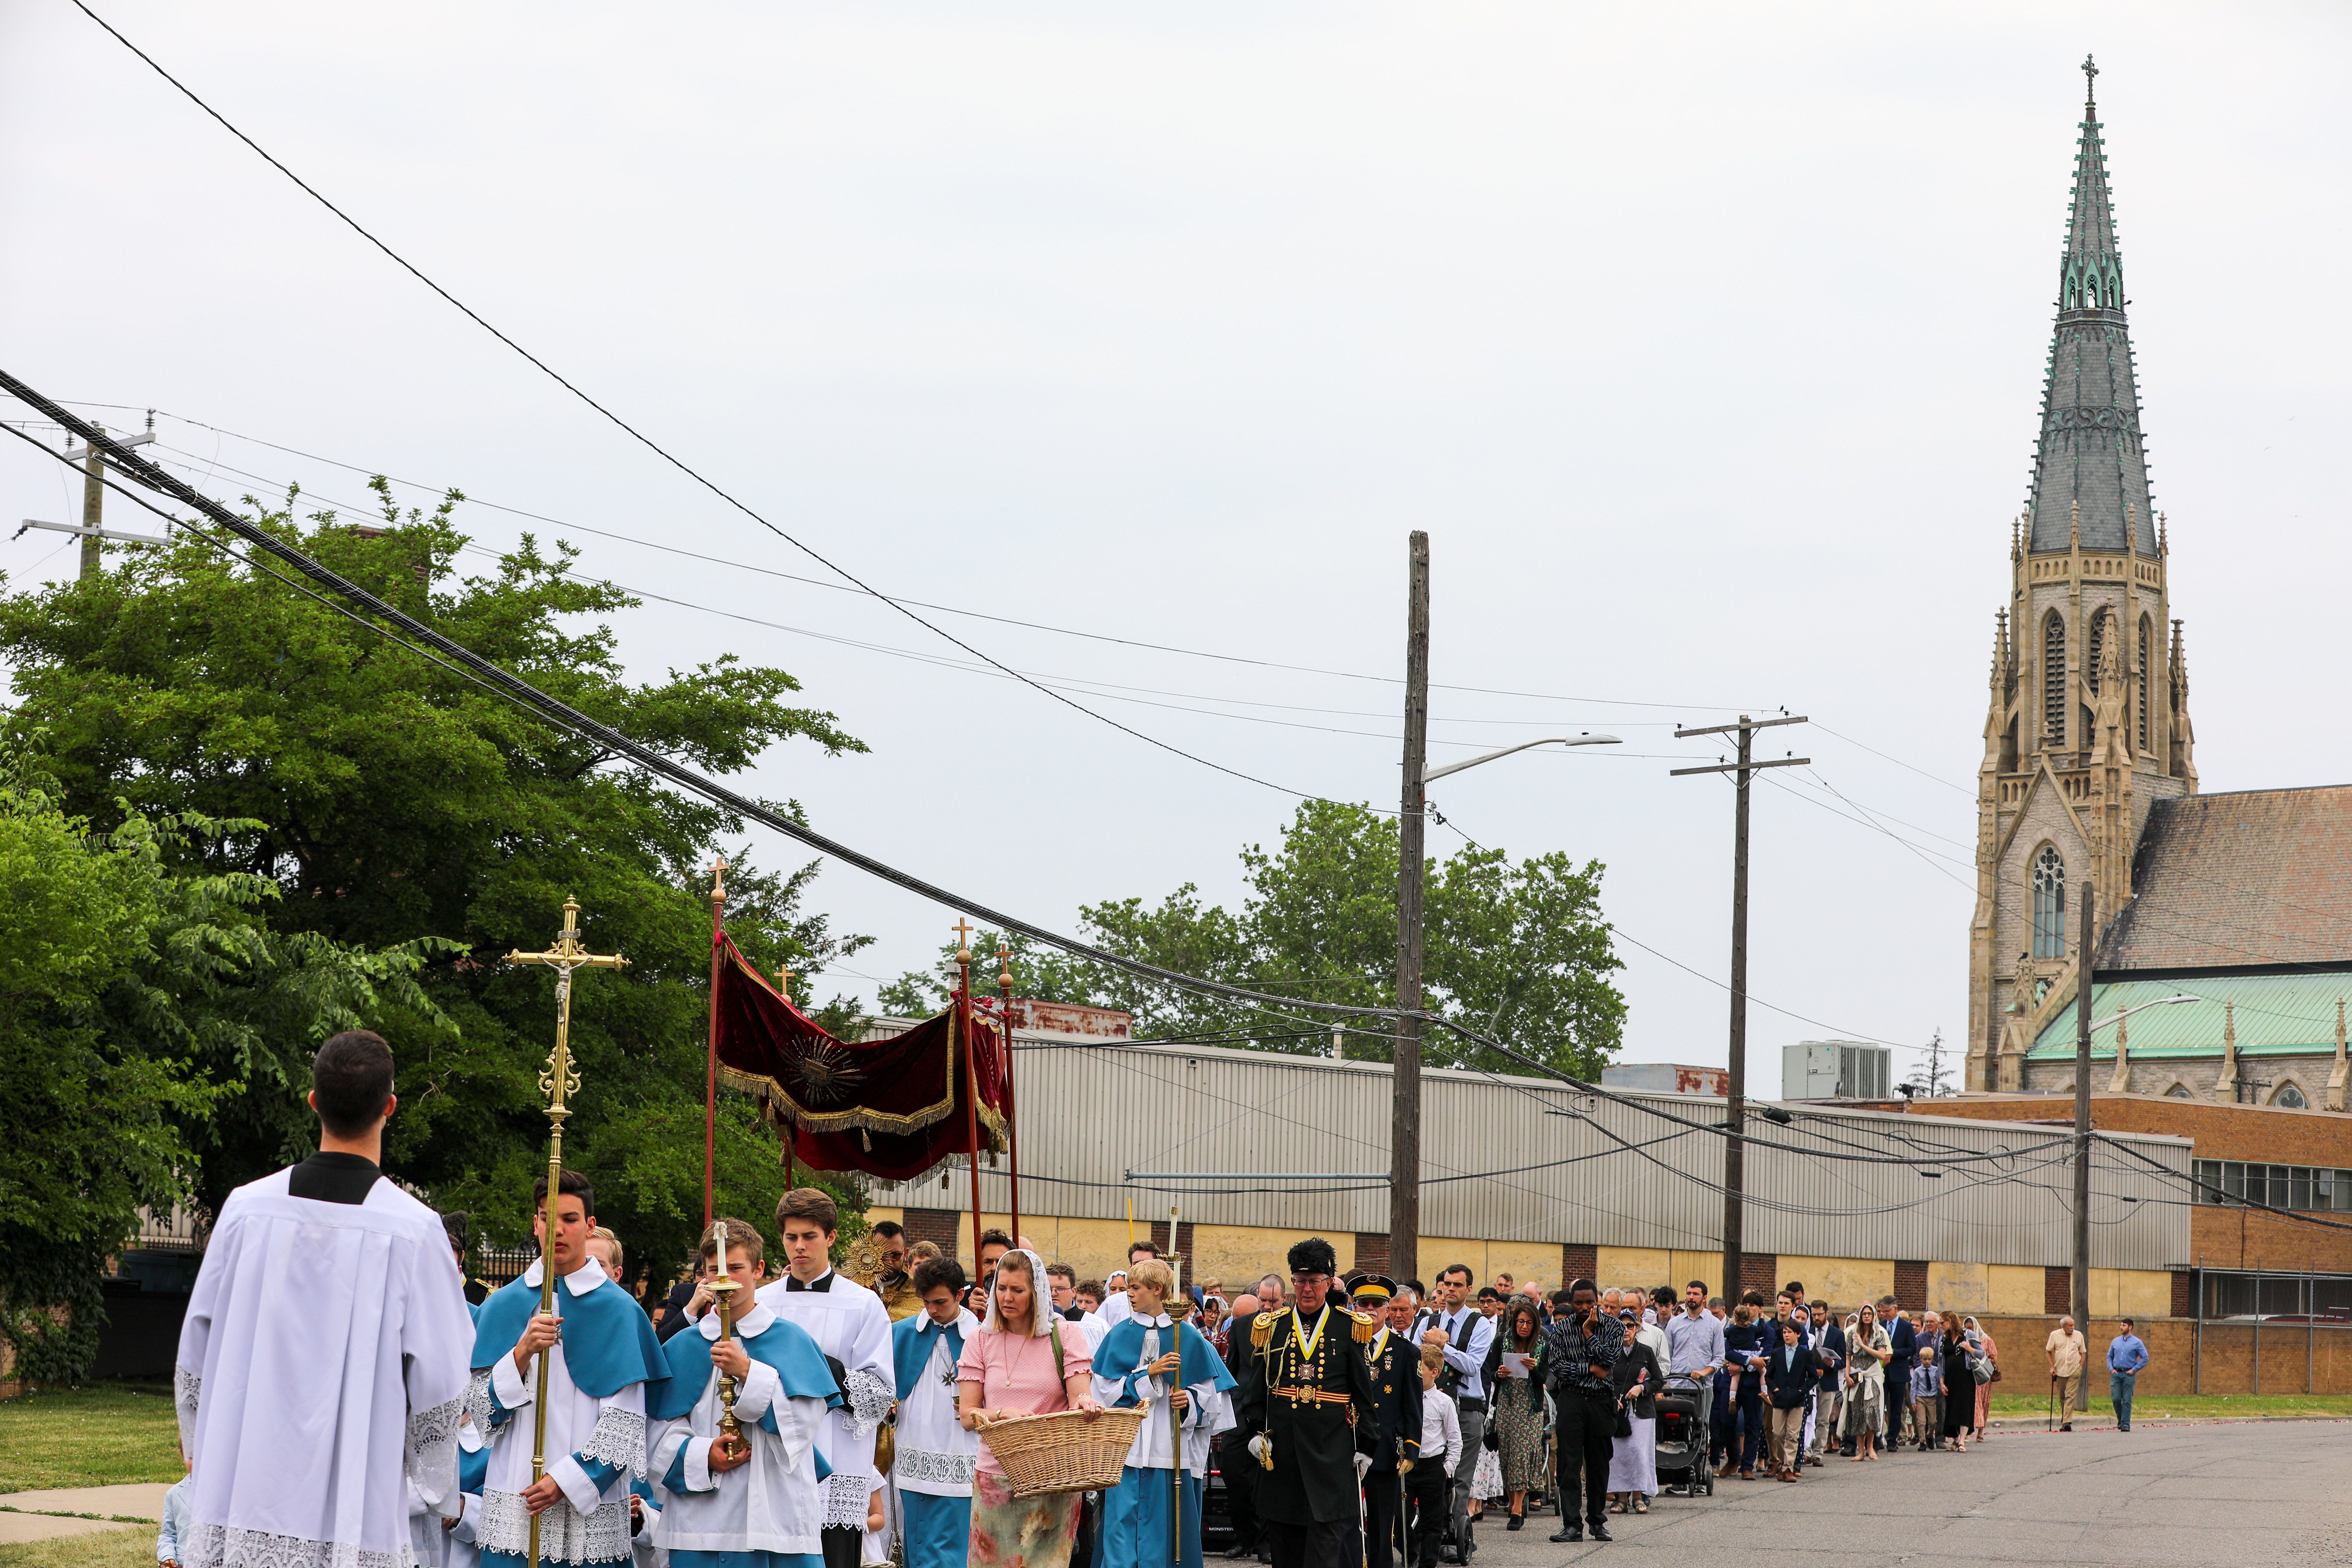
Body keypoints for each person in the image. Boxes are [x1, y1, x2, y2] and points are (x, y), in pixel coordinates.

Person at [175, 1031, 476, 1568]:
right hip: (355, 1497)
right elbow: (442, 1383)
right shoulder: (415, 1231)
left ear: (313, 1101)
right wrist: (432, 1476)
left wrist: (201, 1443)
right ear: (390, 1106)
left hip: (245, 1487)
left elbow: (197, 1345)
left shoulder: (246, 1211)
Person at [470, 1166, 668, 1568]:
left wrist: (565, 1481)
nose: (557, 1229)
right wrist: (521, 1352)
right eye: (548, 1217)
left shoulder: (619, 1311)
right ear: (535, 1223)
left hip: (587, 1509)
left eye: (570, 1219)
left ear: (589, 1225)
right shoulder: (503, 1305)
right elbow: (480, 1413)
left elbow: (626, 1424)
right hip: (515, 1500)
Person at [647, 1218, 839, 1568]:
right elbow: (656, 1432)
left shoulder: (791, 1341)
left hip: (775, 1518)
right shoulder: (683, 1346)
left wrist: (747, 1371)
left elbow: (804, 1426)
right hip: (700, 1522)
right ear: (703, 1276)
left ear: (759, 1269)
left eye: (736, 1268)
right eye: (715, 1270)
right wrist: (702, 1454)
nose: (725, 1281)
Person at [755, 1188, 895, 1568]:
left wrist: (819, 1367)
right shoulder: (760, 1303)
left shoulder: (864, 1304)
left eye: (810, 1236)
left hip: (838, 1462)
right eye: (791, 1237)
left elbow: (880, 1395)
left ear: (831, 1237)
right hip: (773, 1460)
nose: (799, 1247)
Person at [1232, 1238, 1383, 1568]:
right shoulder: (1273, 1327)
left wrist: (1368, 1445)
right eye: (1300, 1282)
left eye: (1314, 1282)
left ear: (1329, 1284)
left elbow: (1363, 1391)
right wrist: (1256, 1430)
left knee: (1325, 1539)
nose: (1307, 1290)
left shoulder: (1349, 1327)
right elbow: (1258, 1387)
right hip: (1283, 1448)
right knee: (1284, 1541)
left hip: (1331, 1447)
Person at [957, 1247, 1101, 1568]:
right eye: (1002, 1289)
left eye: (1017, 1290)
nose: (1006, 1298)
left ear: (1037, 1293)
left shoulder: (1065, 1335)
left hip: (1051, 1477)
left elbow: (1080, 1398)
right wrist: (999, 1414)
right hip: (996, 1477)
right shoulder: (980, 1339)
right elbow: (968, 1416)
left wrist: (1087, 1403)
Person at [1096, 1257, 1239, 1568]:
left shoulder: (1187, 1337)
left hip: (1168, 1451)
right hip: (1128, 1451)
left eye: (1135, 1288)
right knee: (1120, 1532)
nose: (1129, 1295)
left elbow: (1211, 1403)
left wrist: (1187, 1402)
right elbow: (1104, 1392)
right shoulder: (1120, 1334)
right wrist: (1147, 1375)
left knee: (1164, 1535)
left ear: (1158, 1290)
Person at [891, 1257, 979, 1568]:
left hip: (961, 1448)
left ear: (960, 1294)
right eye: (926, 1302)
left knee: (954, 1547)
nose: (932, 1310)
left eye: (940, 1302)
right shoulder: (901, 1333)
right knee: (916, 1540)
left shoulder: (982, 1337)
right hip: (914, 1447)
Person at [1344, 1274, 1423, 1568]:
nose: (1370, 1310)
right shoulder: (1342, 1346)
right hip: (1346, 1445)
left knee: (1381, 1526)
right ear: (1355, 1307)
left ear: (1388, 1310)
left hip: (1385, 1449)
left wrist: (1412, 1450)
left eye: (1377, 1304)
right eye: (1363, 1304)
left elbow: (1413, 1406)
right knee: (1345, 1523)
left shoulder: (1406, 1351)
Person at [1420, 1262, 1493, 1560]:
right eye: (1447, 1284)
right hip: (1431, 1407)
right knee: (1431, 1472)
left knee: (1461, 1476)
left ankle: (1454, 1532)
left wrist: (1442, 1348)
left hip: (1466, 1407)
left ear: (1468, 1290)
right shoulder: (1427, 1321)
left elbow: (1473, 1365)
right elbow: (1418, 1358)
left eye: (1458, 1285)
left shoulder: (1481, 1324)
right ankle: (1428, 1531)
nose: (1451, 1289)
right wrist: (1439, 1344)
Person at [1542, 1279, 1619, 1545]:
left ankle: (1597, 1522)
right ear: (1571, 1303)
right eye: (1579, 1303)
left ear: (1597, 1299)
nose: (1584, 1307)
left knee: (1599, 1465)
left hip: (1601, 1401)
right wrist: (1589, 1369)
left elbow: (1608, 1364)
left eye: (1589, 1302)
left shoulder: (1614, 1327)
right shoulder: (1561, 1329)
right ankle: (1572, 1525)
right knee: (1569, 1464)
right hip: (1571, 1400)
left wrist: (1589, 1333)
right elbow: (1558, 1368)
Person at [1479, 1297, 1546, 1530]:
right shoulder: (1501, 1341)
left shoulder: (1543, 1342)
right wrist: (1499, 1374)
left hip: (1530, 1408)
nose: (1524, 1327)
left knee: (1523, 1454)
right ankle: (1512, 1500)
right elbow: (1490, 1374)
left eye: (1528, 1323)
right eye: (1520, 1322)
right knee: (1507, 1456)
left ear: (1535, 1324)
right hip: (1507, 1406)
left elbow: (1544, 1379)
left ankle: (1517, 1508)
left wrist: (1533, 1369)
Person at [1215, 1293, 1265, 1562]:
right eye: (1265, 1302)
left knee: (1267, 1479)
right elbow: (1232, 1368)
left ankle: (1265, 1543)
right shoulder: (1242, 1327)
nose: (1268, 1307)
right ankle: (1243, 1537)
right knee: (1233, 1473)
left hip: (1270, 1415)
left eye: (1274, 1301)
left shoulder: (1289, 1325)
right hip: (1239, 1412)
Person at [1660, 1281, 1722, 1496]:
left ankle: (1699, 1473)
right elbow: (1666, 1354)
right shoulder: (1675, 1324)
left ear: (1704, 1298)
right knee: (1675, 1429)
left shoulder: (1714, 1325)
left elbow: (1719, 1359)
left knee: (1701, 1429)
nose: (1691, 1297)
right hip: (1677, 1386)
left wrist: (1704, 1372)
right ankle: (1677, 1476)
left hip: (1702, 1388)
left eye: (1696, 1294)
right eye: (1688, 1293)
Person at [1405, 1348, 1459, 1568]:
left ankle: (1427, 1563)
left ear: (1434, 1372)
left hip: (1432, 1466)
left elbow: (1455, 1440)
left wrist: (1447, 1469)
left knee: (1432, 1523)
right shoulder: (1406, 1397)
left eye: (1420, 1369)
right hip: (1407, 1466)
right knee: (1401, 1519)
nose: (1415, 1373)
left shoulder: (1444, 1403)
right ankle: (1409, 1551)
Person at [1606, 1308, 1662, 1513]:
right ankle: (1621, 1498)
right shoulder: (1610, 1352)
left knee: (1639, 1452)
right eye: (1622, 1326)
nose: (1626, 1330)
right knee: (1619, 1453)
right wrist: (1612, 1398)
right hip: (1618, 1410)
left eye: (1630, 1326)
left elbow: (1658, 1380)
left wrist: (1642, 1388)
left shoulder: (1646, 1352)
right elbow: (1603, 1379)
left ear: (1638, 1328)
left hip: (1642, 1411)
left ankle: (1639, 1496)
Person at [1719, 1301, 1767, 1480]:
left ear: (1759, 1309)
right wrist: (1748, 1362)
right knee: (1727, 1421)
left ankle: (1748, 1466)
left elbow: (1765, 1357)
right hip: (1730, 1380)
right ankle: (1733, 1459)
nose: (1749, 1308)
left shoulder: (1765, 1331)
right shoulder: (1735, 1329)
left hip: (1752, 1383)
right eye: (1745, 1304)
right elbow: (1727, 1352)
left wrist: (1742, 1368)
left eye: (1752, 1305)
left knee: (1753, 1425)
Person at [1840, 1306, 1890, 1461]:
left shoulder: (1879, 1333)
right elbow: (1848, 1356)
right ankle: (1860, 1451)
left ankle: (1871, 1447)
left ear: (1874, 1316)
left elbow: (1882, 1355)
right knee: (1858, 1413)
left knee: (1872, 1410)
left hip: (1872, 1376)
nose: (1867, 1316)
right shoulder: (1853, 1334)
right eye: (1864, 1314)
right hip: (1857, 1375)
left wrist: (1863, 1345)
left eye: (1870, 1314)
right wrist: (1847, 1375)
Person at [1806, 1303, 1844, 1466]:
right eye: (1814, 1315)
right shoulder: (1808, 1332)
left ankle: (1818, 1454)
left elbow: (1843, 1361)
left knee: (1823, 1419)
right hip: (1811, 1380)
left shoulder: (1837, 1334)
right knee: (1809, 1418)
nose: (1816, 1318)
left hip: (1828, 1381)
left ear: (1827, 1314)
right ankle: (1806, 1452)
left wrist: (1831, 1364)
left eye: (1819, 1315)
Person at [1878, 1295, 1916, 1450]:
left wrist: (1894, 1352)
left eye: (1887, 1311)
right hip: (1882, 1371)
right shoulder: (1880, 1326)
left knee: (1896, 1408)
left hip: (1899, 1372)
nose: (1884, 1314)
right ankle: (1877, 1438)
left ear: (1895, 1309)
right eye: (1882, 1311)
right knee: (1879, 1407)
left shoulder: (1906, 1327)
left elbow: (1912, 1349)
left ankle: (1893, 1440)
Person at [1940, 1316, 1978, 1451]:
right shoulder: (1944, 1338)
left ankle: (1962, 1441)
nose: (1940, 1325)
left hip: (1966, 1378)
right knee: (1951, 1409)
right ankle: (1955, 1440)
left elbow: (1981, 1353)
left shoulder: (1968, 1335)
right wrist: (1942, 1382)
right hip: (1950, 1379)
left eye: (1942, 1322)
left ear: (1950, 1321)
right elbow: (1941, 1361)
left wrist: (1969, 1349)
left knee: (1964, 1408)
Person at [2045, 1315, 2088, 1432]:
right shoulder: (2055, 1335)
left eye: (2073, 1325)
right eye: (2070, 1326)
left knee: (2070, 1396)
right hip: (2060, 1371)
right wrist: (2052, 1367)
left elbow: (2083, 1353)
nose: (2073, 1328)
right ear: (2063, 1326)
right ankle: (2064, 1421)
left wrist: (2080, 1368)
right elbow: (2049, 1351)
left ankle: (2067, 1422)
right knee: (2063, 1397)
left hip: (2074, 1370)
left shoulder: (2079, 1335)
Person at [2107, 1317, 2149, 1433]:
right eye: (2121, 1325)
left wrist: (2134, 1370)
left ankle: (2126, 1424)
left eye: (2124, 1325)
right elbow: (2109, 1356)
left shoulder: (2137, 1342)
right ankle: (2121, 1419)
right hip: (2116, 1373)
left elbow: (2145, 1358)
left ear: (2130, 1327)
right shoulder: (2115, 1341)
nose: (2121, 1327)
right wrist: (2111, 1369)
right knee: (2116, 1399)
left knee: (2127, 1400)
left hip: (2129, 1374)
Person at [1965, 1317, 1998, 1438]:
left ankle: (1980, 1432)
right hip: (1970, 1376)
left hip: (1983, 1377)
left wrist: (1981, 1358)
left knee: (1984, 1404)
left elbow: (1994, 1358)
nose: (1969, 1330)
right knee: (1973, 1403)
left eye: (1971, 1328)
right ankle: (1967, 1432)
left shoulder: (1987, 1340)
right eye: (1967, 1328)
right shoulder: (1965, 1340)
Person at [1907, 1344, 1941, 1449]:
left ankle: (1930, 1436)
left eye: (1929, 1359)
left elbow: (1938, 1384)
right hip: (1920, 1398)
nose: (1927, 1362)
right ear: (1921, 1359)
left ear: (1933, 1359)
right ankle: (1923, 1442)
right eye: (1925, 1359)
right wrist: (1913, 1401)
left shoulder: (1936, 1371)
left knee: (1933, 1421)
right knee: (1921, 1422)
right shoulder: (1917, 1371)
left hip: (1932, 1398)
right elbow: (1914, 1387)